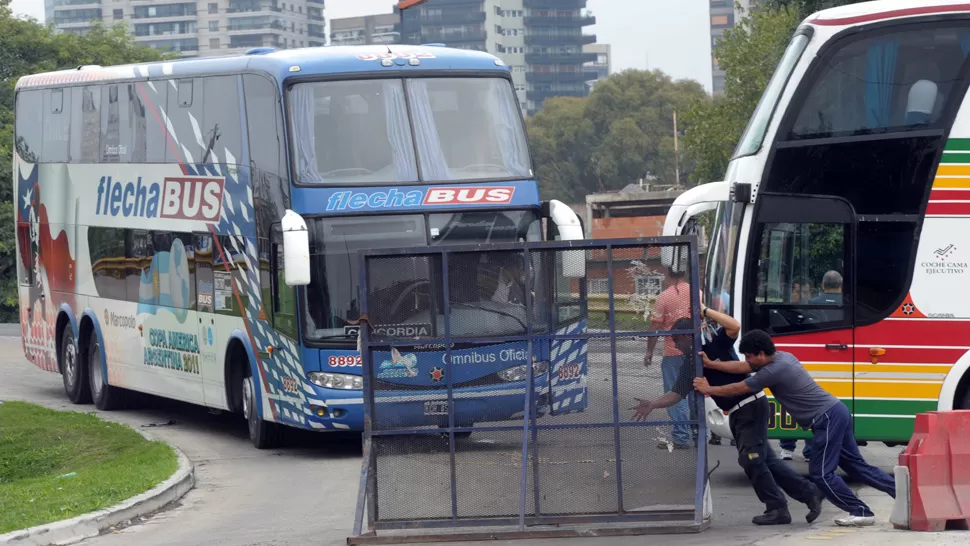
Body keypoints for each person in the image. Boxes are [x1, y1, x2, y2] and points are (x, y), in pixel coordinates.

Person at [632, 311, 823, 526]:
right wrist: (652, 404)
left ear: (689, 335)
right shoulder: (689, 364)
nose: (675, 345)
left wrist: (705, 311)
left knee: (751, 459)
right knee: (765, 460)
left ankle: (777, 507)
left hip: (751, 407)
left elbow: (734, 326)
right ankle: (809, 493)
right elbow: (676, 394)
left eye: (677, 339)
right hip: (737, 413)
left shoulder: (714, 345)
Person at [693, 330, 897, 527]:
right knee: (856, 467)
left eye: (749, 356)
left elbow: (739, 388)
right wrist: (712, 364)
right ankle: (902, 493)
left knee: (822, 474)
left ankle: (860, 512)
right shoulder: (782, 357)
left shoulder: (772, 371)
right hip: (836, 411)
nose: (747, 361)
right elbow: (741, 368)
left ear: (761, 354)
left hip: (826, 419)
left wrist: (708, 389)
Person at [644, 267, 693, 449]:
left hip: (673, 353)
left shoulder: (664, 297)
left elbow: (655, 326)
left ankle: (681, 437)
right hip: (695, 352)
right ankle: (697, 433)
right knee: (696, 394)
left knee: (676, 393)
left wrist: (649, 352)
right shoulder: (699, 293)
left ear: (668, 274)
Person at [781, 278, 814, 461]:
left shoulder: (817, 313)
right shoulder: (784, 314)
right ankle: (787, 446)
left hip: (811, 367)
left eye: (806, 292)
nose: (801, 296)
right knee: (789, 406)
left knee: (810, 409)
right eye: (797, 291)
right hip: (790, 367)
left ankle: (809, 449)